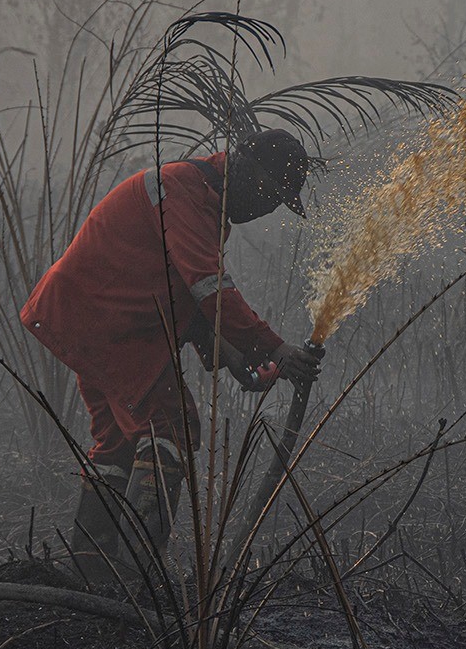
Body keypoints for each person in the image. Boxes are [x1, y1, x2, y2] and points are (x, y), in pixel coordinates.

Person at [21, 128, 323, 562]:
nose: (265, 208)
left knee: (118, 444)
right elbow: (208, 289)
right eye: (269, 193)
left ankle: (92, 573)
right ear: (242, 165)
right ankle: (138, 574)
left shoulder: (198, 198)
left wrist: (238, 359)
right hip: (108, 325)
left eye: (277, 201)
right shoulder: (184, 192)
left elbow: (188, 295)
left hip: (86, 318)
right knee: (171, 428)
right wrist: (274, 348)